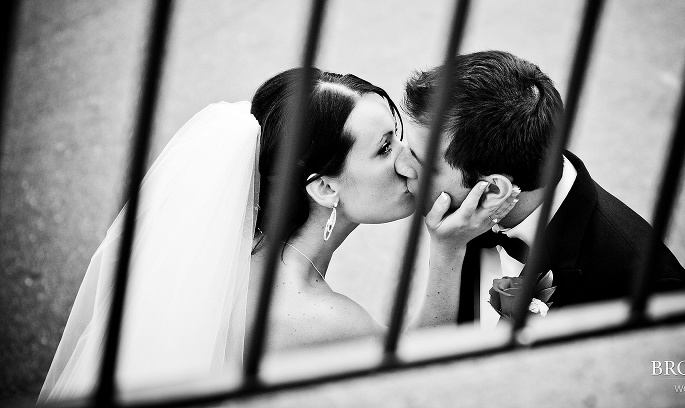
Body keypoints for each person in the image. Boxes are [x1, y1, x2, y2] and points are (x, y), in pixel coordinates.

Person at [39, 68, 516, 402]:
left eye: (399, 135)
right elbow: (419, 376)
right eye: (385, 148)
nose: (411, 162)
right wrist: (448, 248)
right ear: (325, 187)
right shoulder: (316, 317)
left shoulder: (235, 255)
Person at [401, 50, 685, 325]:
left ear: (492, 191)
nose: (402, 165)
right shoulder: (460, 222)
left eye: (420, 161)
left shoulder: (649, 289)